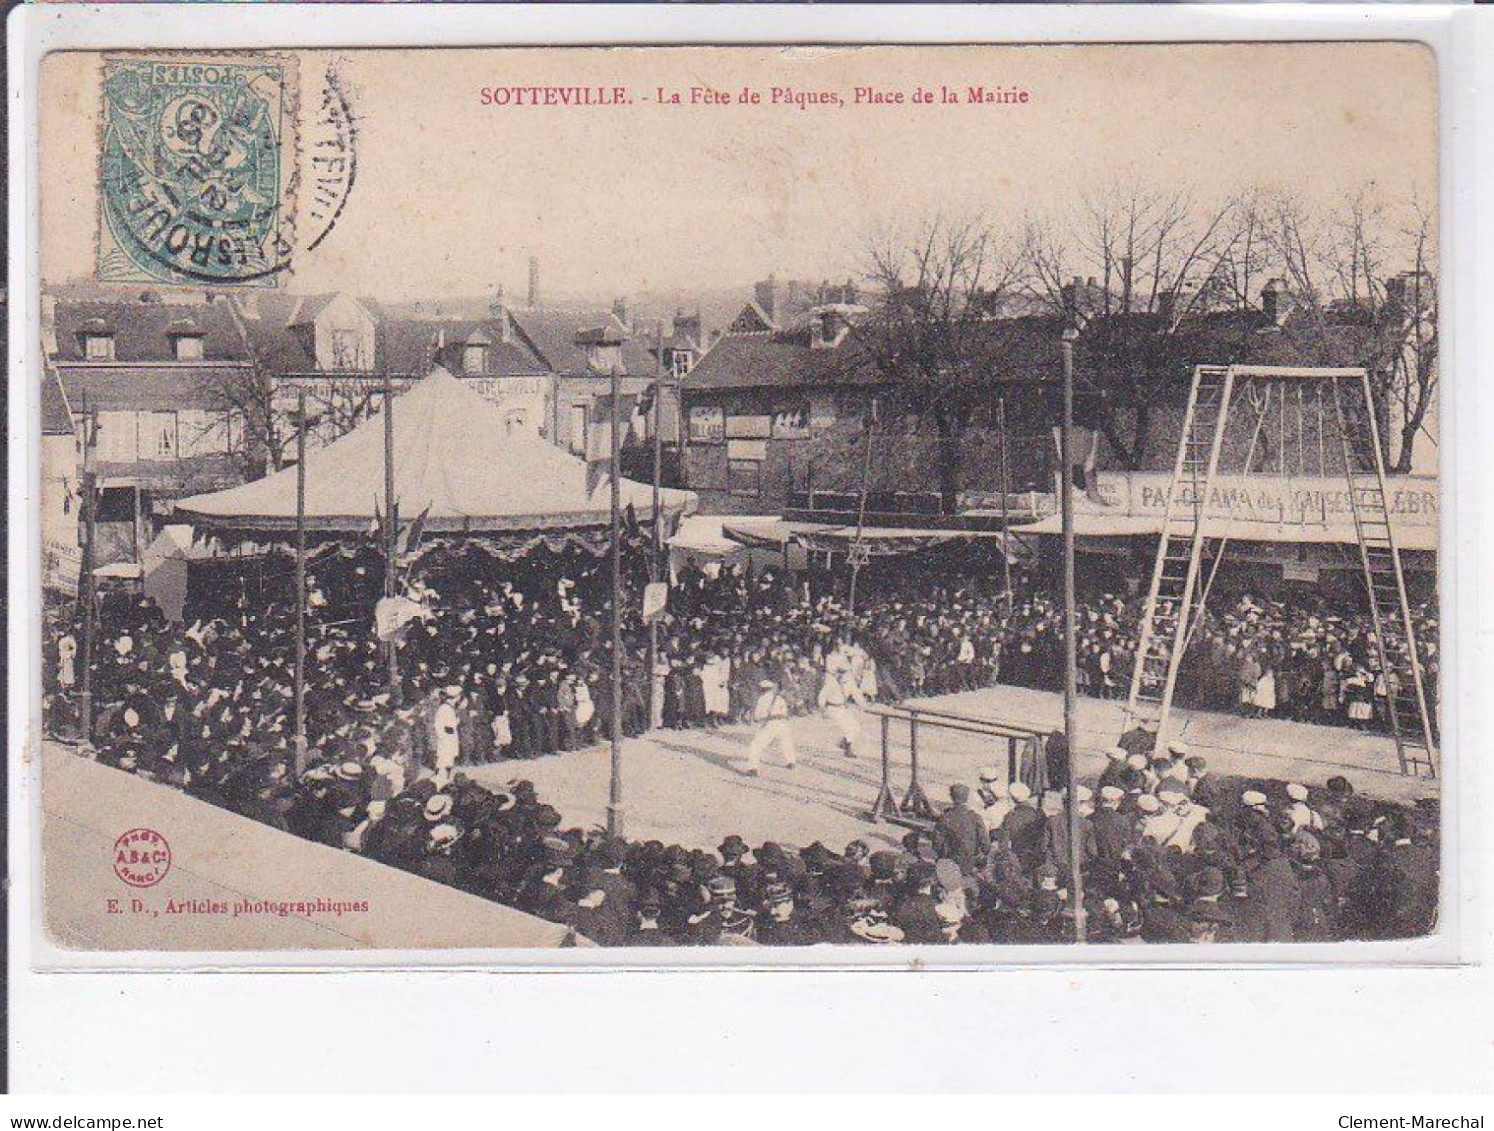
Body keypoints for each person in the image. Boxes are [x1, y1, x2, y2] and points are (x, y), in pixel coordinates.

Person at [818, 646, 864, 759]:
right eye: (839, 672)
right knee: (848, 726)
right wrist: (822, 710)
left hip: (842, 708)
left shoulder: (848, 683)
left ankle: (844, 743)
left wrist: (862, 706)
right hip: (832, 708)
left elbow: (856, 694)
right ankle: (847, 748)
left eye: (843, 672)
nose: (841, 675)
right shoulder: (831, 683)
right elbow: (821, 697)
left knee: (856, 726)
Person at [743, 678, 795, 776]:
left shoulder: (762, 699)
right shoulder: (780, 699)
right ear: (771, 689)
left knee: (756, 745)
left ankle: (752, 768)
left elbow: (757, 717)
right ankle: (791, 762)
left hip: (771, 724)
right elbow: (786, 713)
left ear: (762, 689)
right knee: (785, 742)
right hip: (783, 723)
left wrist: (758, 719)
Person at [933, 784, 987, 875]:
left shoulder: (945, 818)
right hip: (970, 864)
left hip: (950, 863)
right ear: (967, 798)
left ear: (951, 797)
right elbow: (985, 844)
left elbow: (936, 844)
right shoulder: (975, 817)